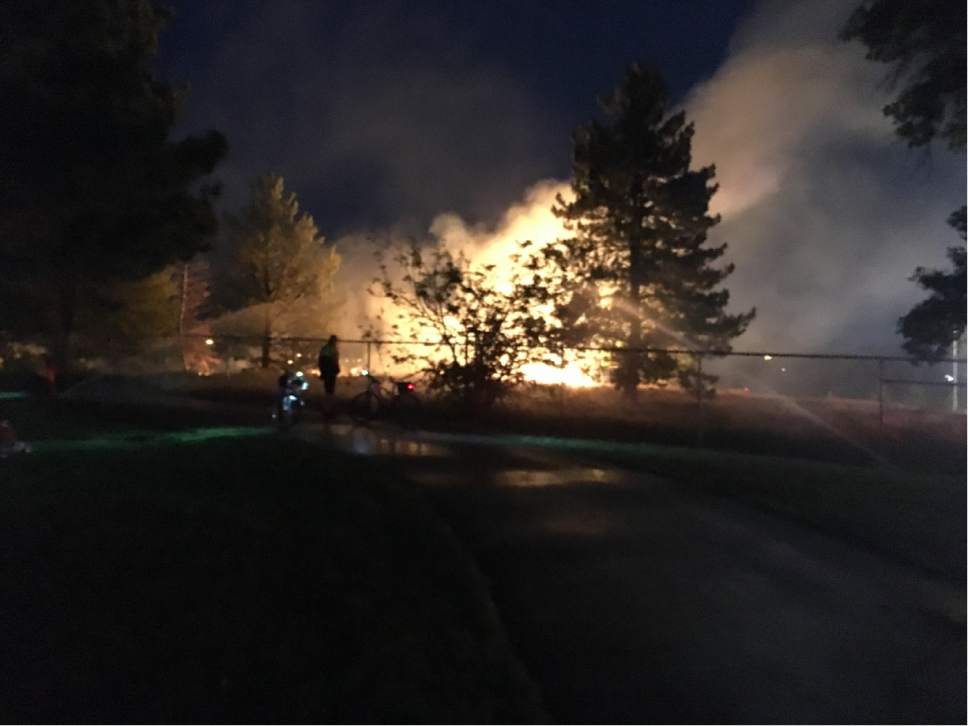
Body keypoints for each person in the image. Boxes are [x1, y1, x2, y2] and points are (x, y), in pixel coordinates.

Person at [317, 335, 340, 416]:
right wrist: (334, 368)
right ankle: (327, 411)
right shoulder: (329, 349)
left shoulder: (328, 348)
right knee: (329, 392)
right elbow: (326, 361)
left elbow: (322, 361)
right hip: (329, 372)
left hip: (330, 372)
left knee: (329, 391)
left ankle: (328, 410)